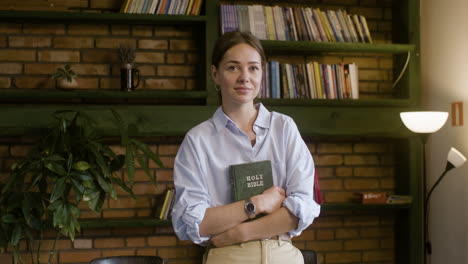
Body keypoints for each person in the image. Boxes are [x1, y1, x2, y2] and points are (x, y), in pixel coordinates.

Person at [171, 31, 320, 264]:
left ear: (262, 73)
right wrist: (257, 203)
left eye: (253, 68)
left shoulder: (284, 128)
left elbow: (300, 208)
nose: (245, 77)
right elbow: (195, 222)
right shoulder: (197, 140)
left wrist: (237, 233)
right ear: (215, 74)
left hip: (281, 252)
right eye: (233, 68)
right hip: (228, 257)